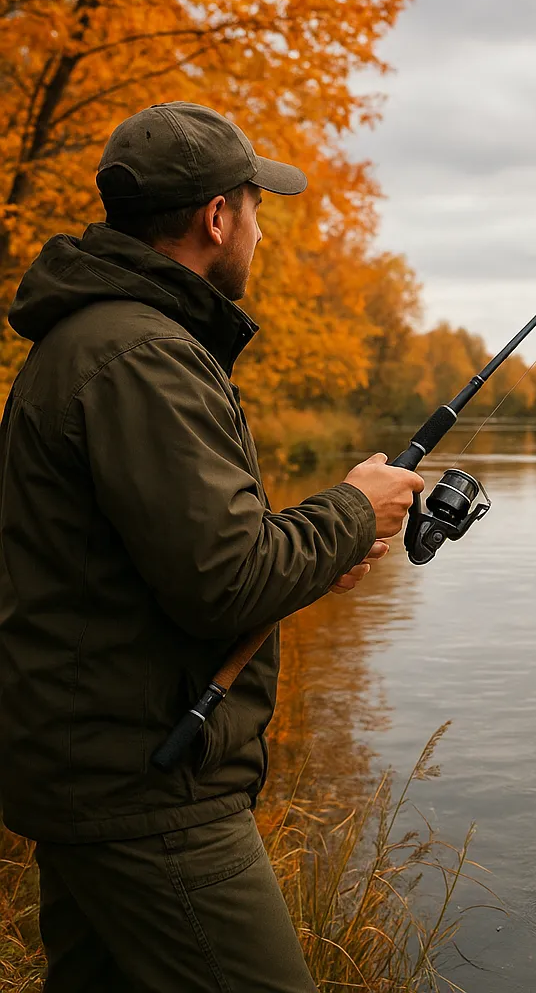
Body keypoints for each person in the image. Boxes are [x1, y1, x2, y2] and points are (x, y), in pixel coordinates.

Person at [0, 102, 425, 992]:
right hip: (147, 794)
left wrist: (318, 551)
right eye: (257, 207)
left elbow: (171, 562)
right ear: (218, 217)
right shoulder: (140, 357)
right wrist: (352, 505)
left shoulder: (104, 338)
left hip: (96, 771)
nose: (261, 230)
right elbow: (225, 580)